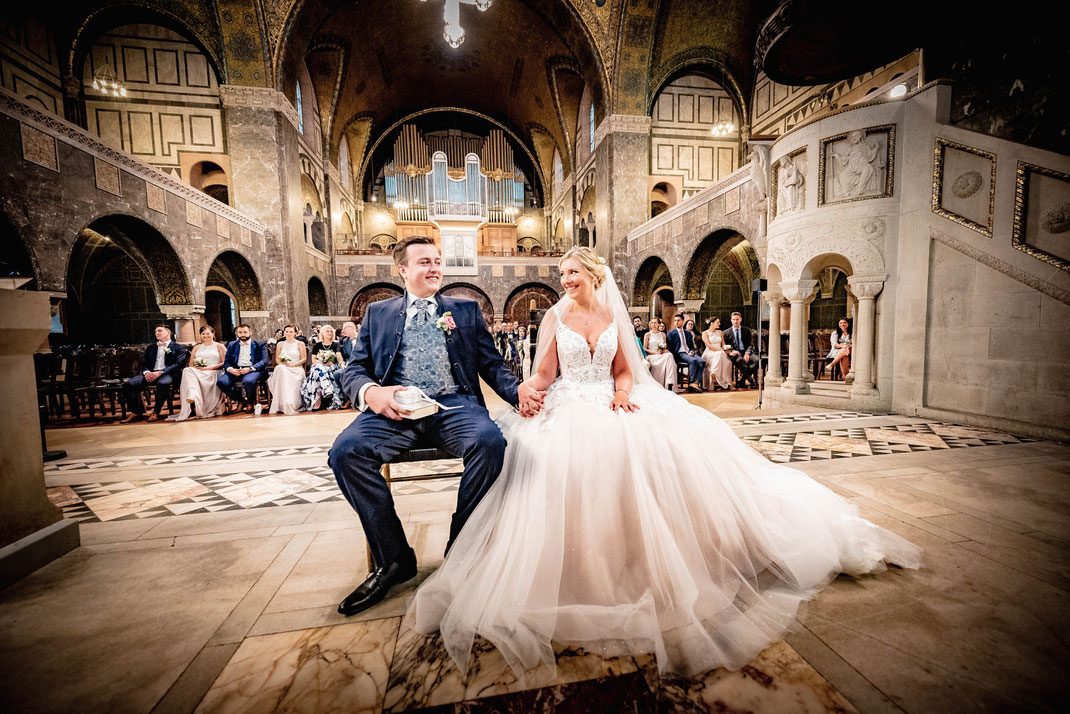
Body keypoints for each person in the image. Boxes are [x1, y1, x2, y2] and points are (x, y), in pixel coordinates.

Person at [406, 247, 921, 680]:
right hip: (568, 402)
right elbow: (544, 372)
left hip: (610, 398)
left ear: (594, 277)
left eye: (572, 273)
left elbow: (625, 370)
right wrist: (527, 396)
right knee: (557, 460)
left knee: (656, 448)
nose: (565, 281)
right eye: (562, 273)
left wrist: (624, 394)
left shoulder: (613, 318)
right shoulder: (554, 317)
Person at [328, 235, 545, 617]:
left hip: (454, 405)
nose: (434, 268)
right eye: (424, 262)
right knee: (345, 453)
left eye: (438, 261)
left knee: (491, 442)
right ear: (403, 270)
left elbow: (491, 364)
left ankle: (461, 548)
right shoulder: (379, 313)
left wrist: (519, 392)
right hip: (395, 410)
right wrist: (371, 393)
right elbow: (355, 369)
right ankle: (393, 559)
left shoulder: (465, 310)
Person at [121, 325, 188, 422]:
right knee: (129, 384)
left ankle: (156, 412)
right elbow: (143, 364)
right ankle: (136, 411)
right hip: (150, 373)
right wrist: (147, 372)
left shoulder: (178, 347)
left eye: (160, 331)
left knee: (163, 383)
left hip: (168, 373)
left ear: (168, 332)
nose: (157, 333)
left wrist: (161, 372)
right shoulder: (151, 348)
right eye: (155, 331)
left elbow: (179, 364)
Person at [170, 325, 226, 421]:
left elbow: (224, 363)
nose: (205, 336)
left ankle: (194, 395)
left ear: (213, 334)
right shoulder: (196, 347)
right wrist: (199, 367)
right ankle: (192, 394)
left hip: (214, 371)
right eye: (203, 334)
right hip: (200, 371)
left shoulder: (220, 346)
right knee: (187, 370)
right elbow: (191, 364)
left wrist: (208, 368)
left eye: (208, 333)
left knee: (188, 371)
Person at [217, 324, 269, 412]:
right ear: (237, 333)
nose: (243, 334)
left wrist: (250, 369)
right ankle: (240, 400)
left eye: (245, 332)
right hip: (236, 370)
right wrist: (230, 369)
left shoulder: (259, 345)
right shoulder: (231, 345)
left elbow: (264, 361)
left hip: (253, 370)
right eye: (240, 332)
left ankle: (249, 402)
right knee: (221, 382)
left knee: (248, 381)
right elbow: (227, 361)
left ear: (250, 332)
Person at [303, 324, 345, 410]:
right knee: (318, 367)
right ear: (322, 333)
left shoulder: (335, 344)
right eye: (327, 331)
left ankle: (317, 401)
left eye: (331, 331)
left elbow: (338, 355)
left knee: (317, 373)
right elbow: (313, 360)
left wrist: (341, 363)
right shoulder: (317, 345)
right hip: (319, 366)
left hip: (331, 366)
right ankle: (327, 389)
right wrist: (323, 363)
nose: (329, 333)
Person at [267, 324, 307, 415]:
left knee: (282, 371)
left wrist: (294, 365)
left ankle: (290, 403)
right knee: (280, 369)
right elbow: (277, 359)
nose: (288, 333)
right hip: (284, 367)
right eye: (286, 331)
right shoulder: (280, 344)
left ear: (295, 333)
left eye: (291, 332)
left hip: (296, 367)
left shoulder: (300, 344)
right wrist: (284, 364)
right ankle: (281, 403)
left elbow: (304, 358)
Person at [667, 313, 705, 392]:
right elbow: (669, 347)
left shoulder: (688, 333)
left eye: (678, 320)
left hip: (689, 352)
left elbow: (691, 346)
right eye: (675, 321)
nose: (676, 322)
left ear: (683, 321)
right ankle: (691, 383)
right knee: (693, 361)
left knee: (702, 361)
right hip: (679, 354)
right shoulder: (671, 333)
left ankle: (695, 383)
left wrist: (691, 352)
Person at [723, 312, 758, 389]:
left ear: (740, 320)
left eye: (737, 319)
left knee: (757, 360)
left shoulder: (747, 330)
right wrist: (732, 351)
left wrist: (747, 353)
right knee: (739, 361)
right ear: (731, 320)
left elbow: (750, 344)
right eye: (734, 319)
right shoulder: (726, 332)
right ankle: (751, 380)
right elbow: (725, 345)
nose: (735, 321)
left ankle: (742, 380)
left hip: (746, 351)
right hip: (735, 354)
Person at [642, 318, 676, 390]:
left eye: (655, 323)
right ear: (650, 324)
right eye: (652, 323)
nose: (653, 324)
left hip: (661, 354)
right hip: (652, 355)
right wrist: (656, 353)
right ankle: (658, 384)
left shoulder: (663, 334)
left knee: (670, 355)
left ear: (658, 324)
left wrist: (664, 350)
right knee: (667, 357)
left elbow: (664, 345)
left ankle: (670, 382)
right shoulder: (647, 334)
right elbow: (644, 348)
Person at [701, 316, 733, 391]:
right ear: (712, 323)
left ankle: (717, 376)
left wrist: (727, 348)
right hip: (710, 352)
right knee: (720, 354)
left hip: (720, 351)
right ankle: (714, 374)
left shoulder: (720, 332)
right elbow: (709, 345)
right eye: (717, 322)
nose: (719, 324)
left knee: (726, 359)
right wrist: (720, 350)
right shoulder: (705, 333)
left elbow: (723, 344)